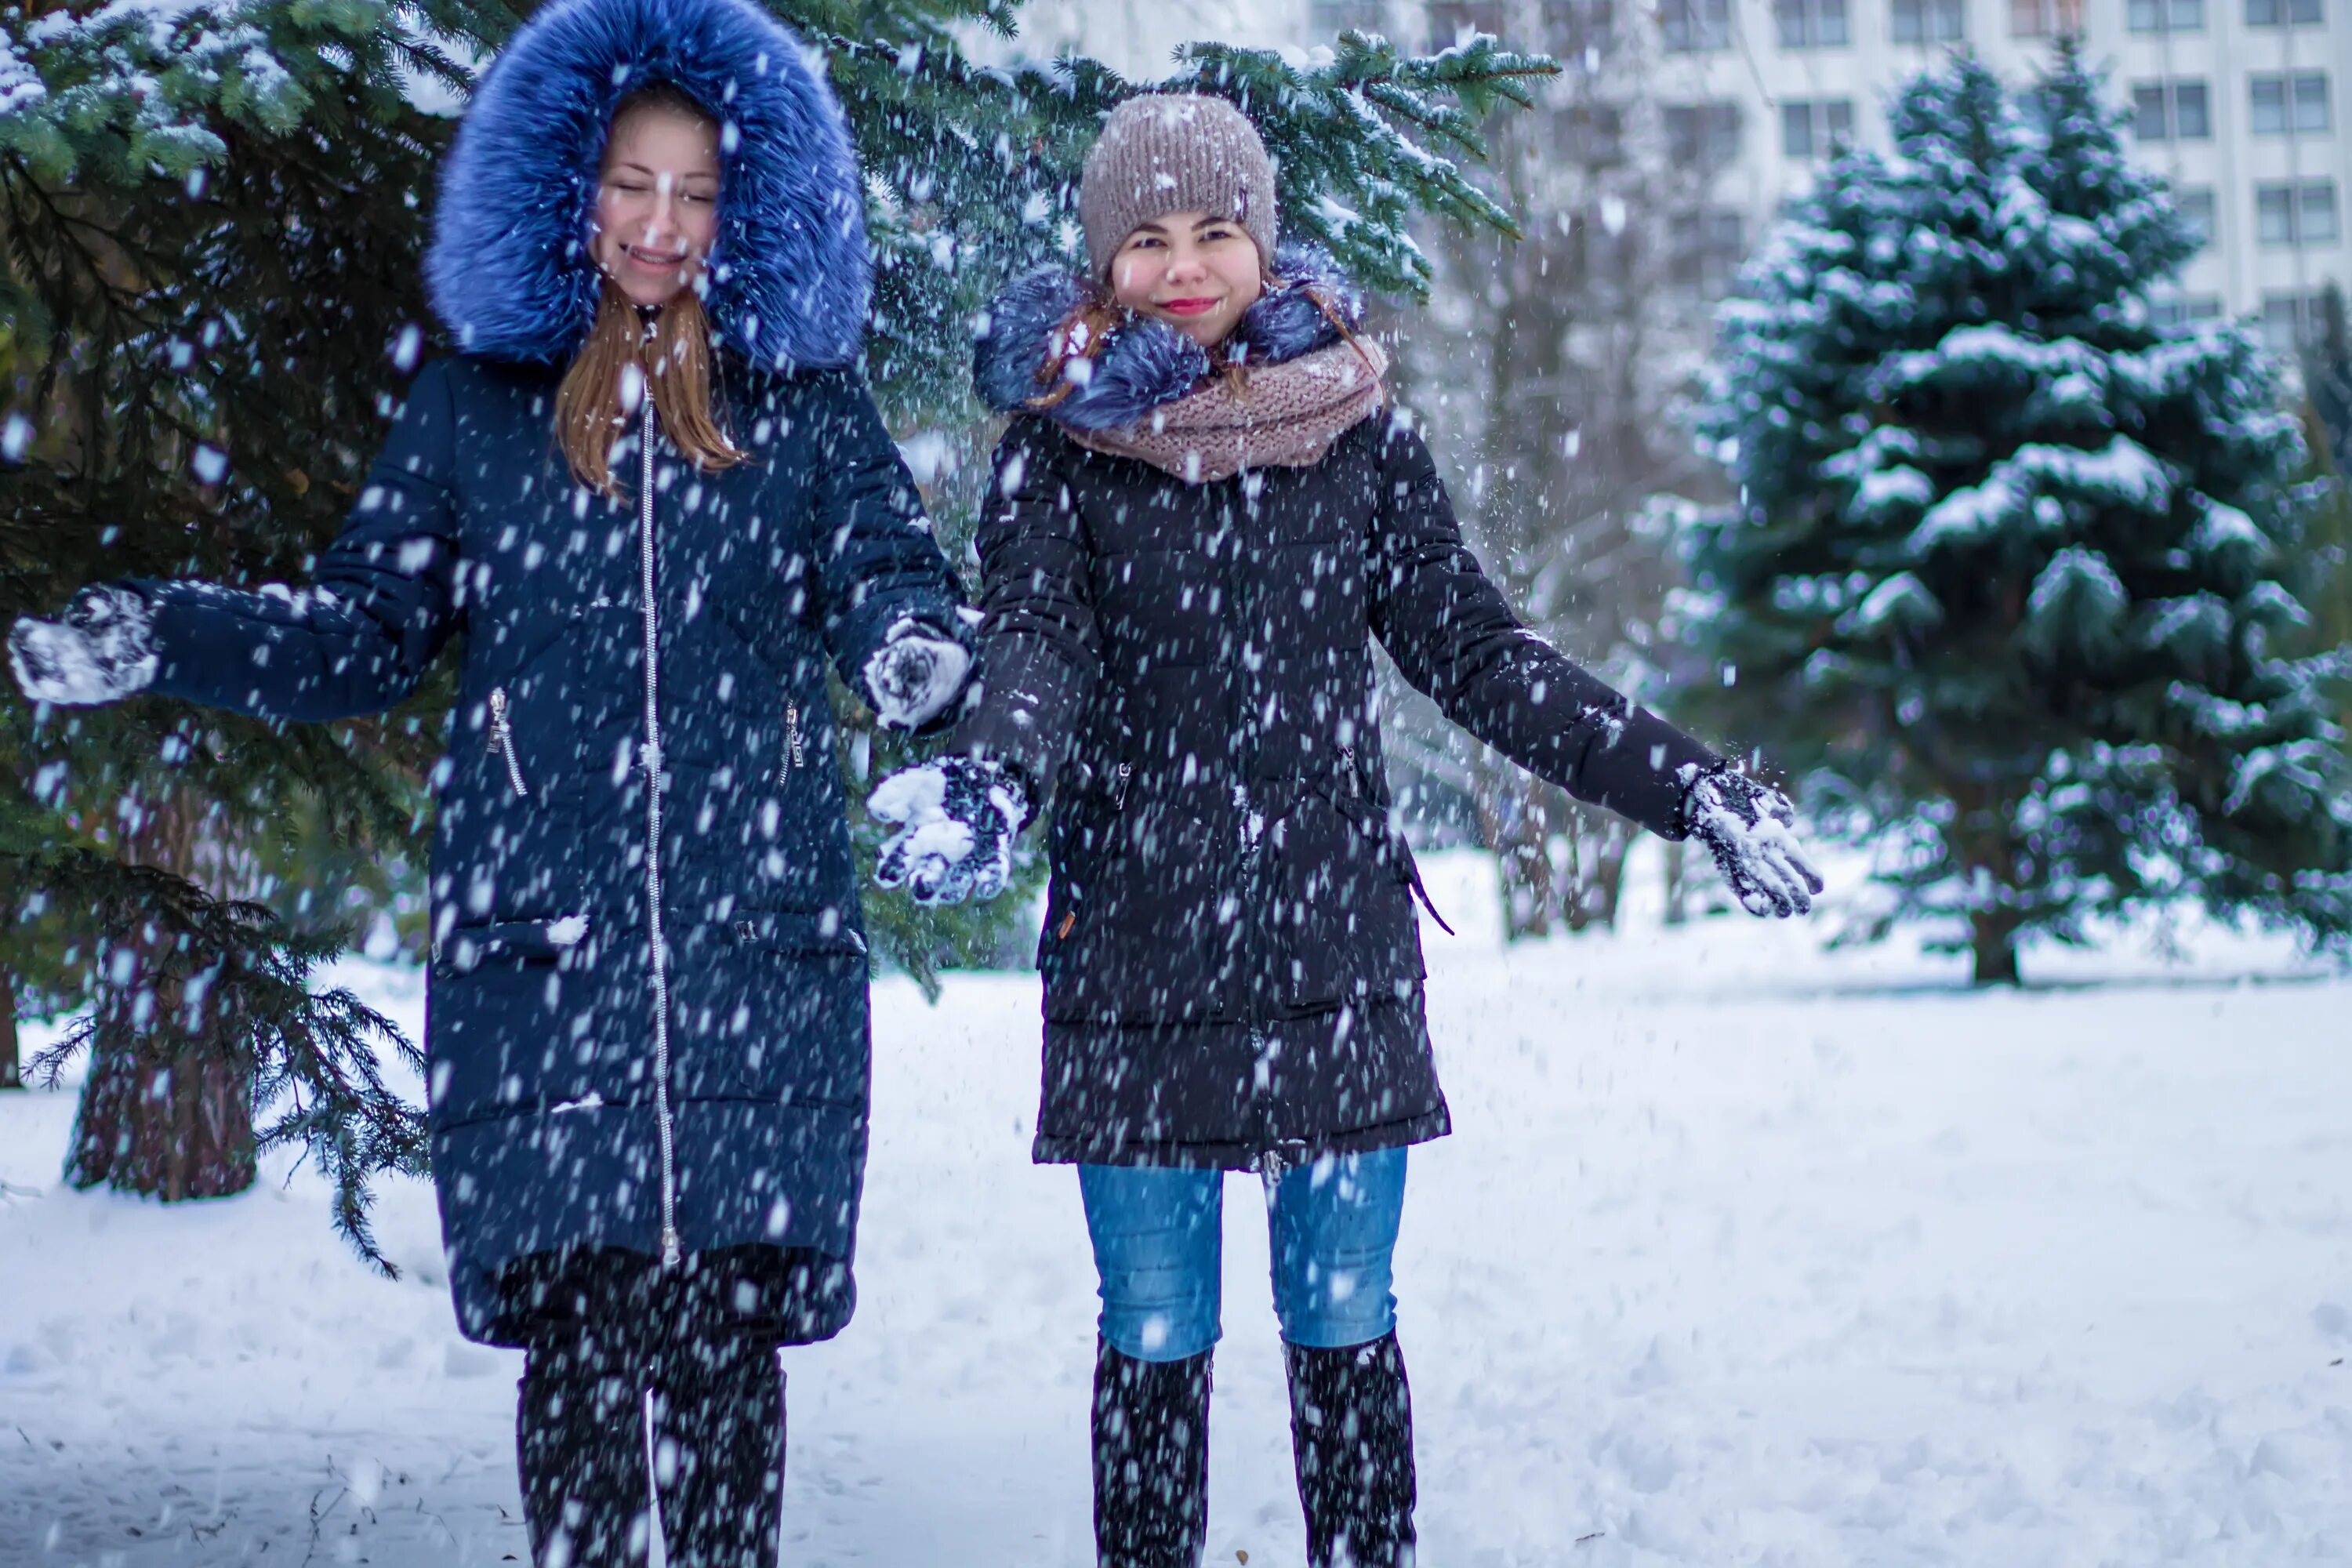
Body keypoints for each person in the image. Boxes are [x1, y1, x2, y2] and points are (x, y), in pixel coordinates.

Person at [7, 0, 975, 1561]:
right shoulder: (477, 412)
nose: (661, 225)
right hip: (548, 952)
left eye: (699, 192)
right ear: (569, 190)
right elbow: (362, 634)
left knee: (726, 1356)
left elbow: (888, 580)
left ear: (751, 209)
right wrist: (164, 632)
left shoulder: (804, 407)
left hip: (753, 938)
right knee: (583, 1356)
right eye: (631, 183)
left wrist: (916, 652)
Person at [867, 93, 1823, 1568]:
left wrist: (1686, 784)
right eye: (1147, 240)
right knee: (1156, 1326)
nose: (1186, 267)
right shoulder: (1053, 452)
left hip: (1334, 948)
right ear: (1102, 259)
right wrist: (994, 779)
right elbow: (1035, 655)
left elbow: (1486, 659)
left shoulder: (1359, 437)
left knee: (1342, 1320)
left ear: (1263, 240)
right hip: (1136, 954)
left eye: (1216, 231)